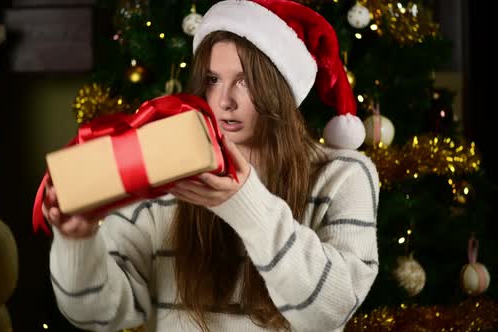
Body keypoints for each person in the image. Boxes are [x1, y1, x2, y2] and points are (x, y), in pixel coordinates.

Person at [43, 0, 379, 331]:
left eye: (245, 80)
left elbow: (330, 310)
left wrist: (245, 204)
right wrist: (78, 242)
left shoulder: (343, 175)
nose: (224, 100)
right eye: (213, 79)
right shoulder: (165, 174)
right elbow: (98, 314)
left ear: (280, 88)